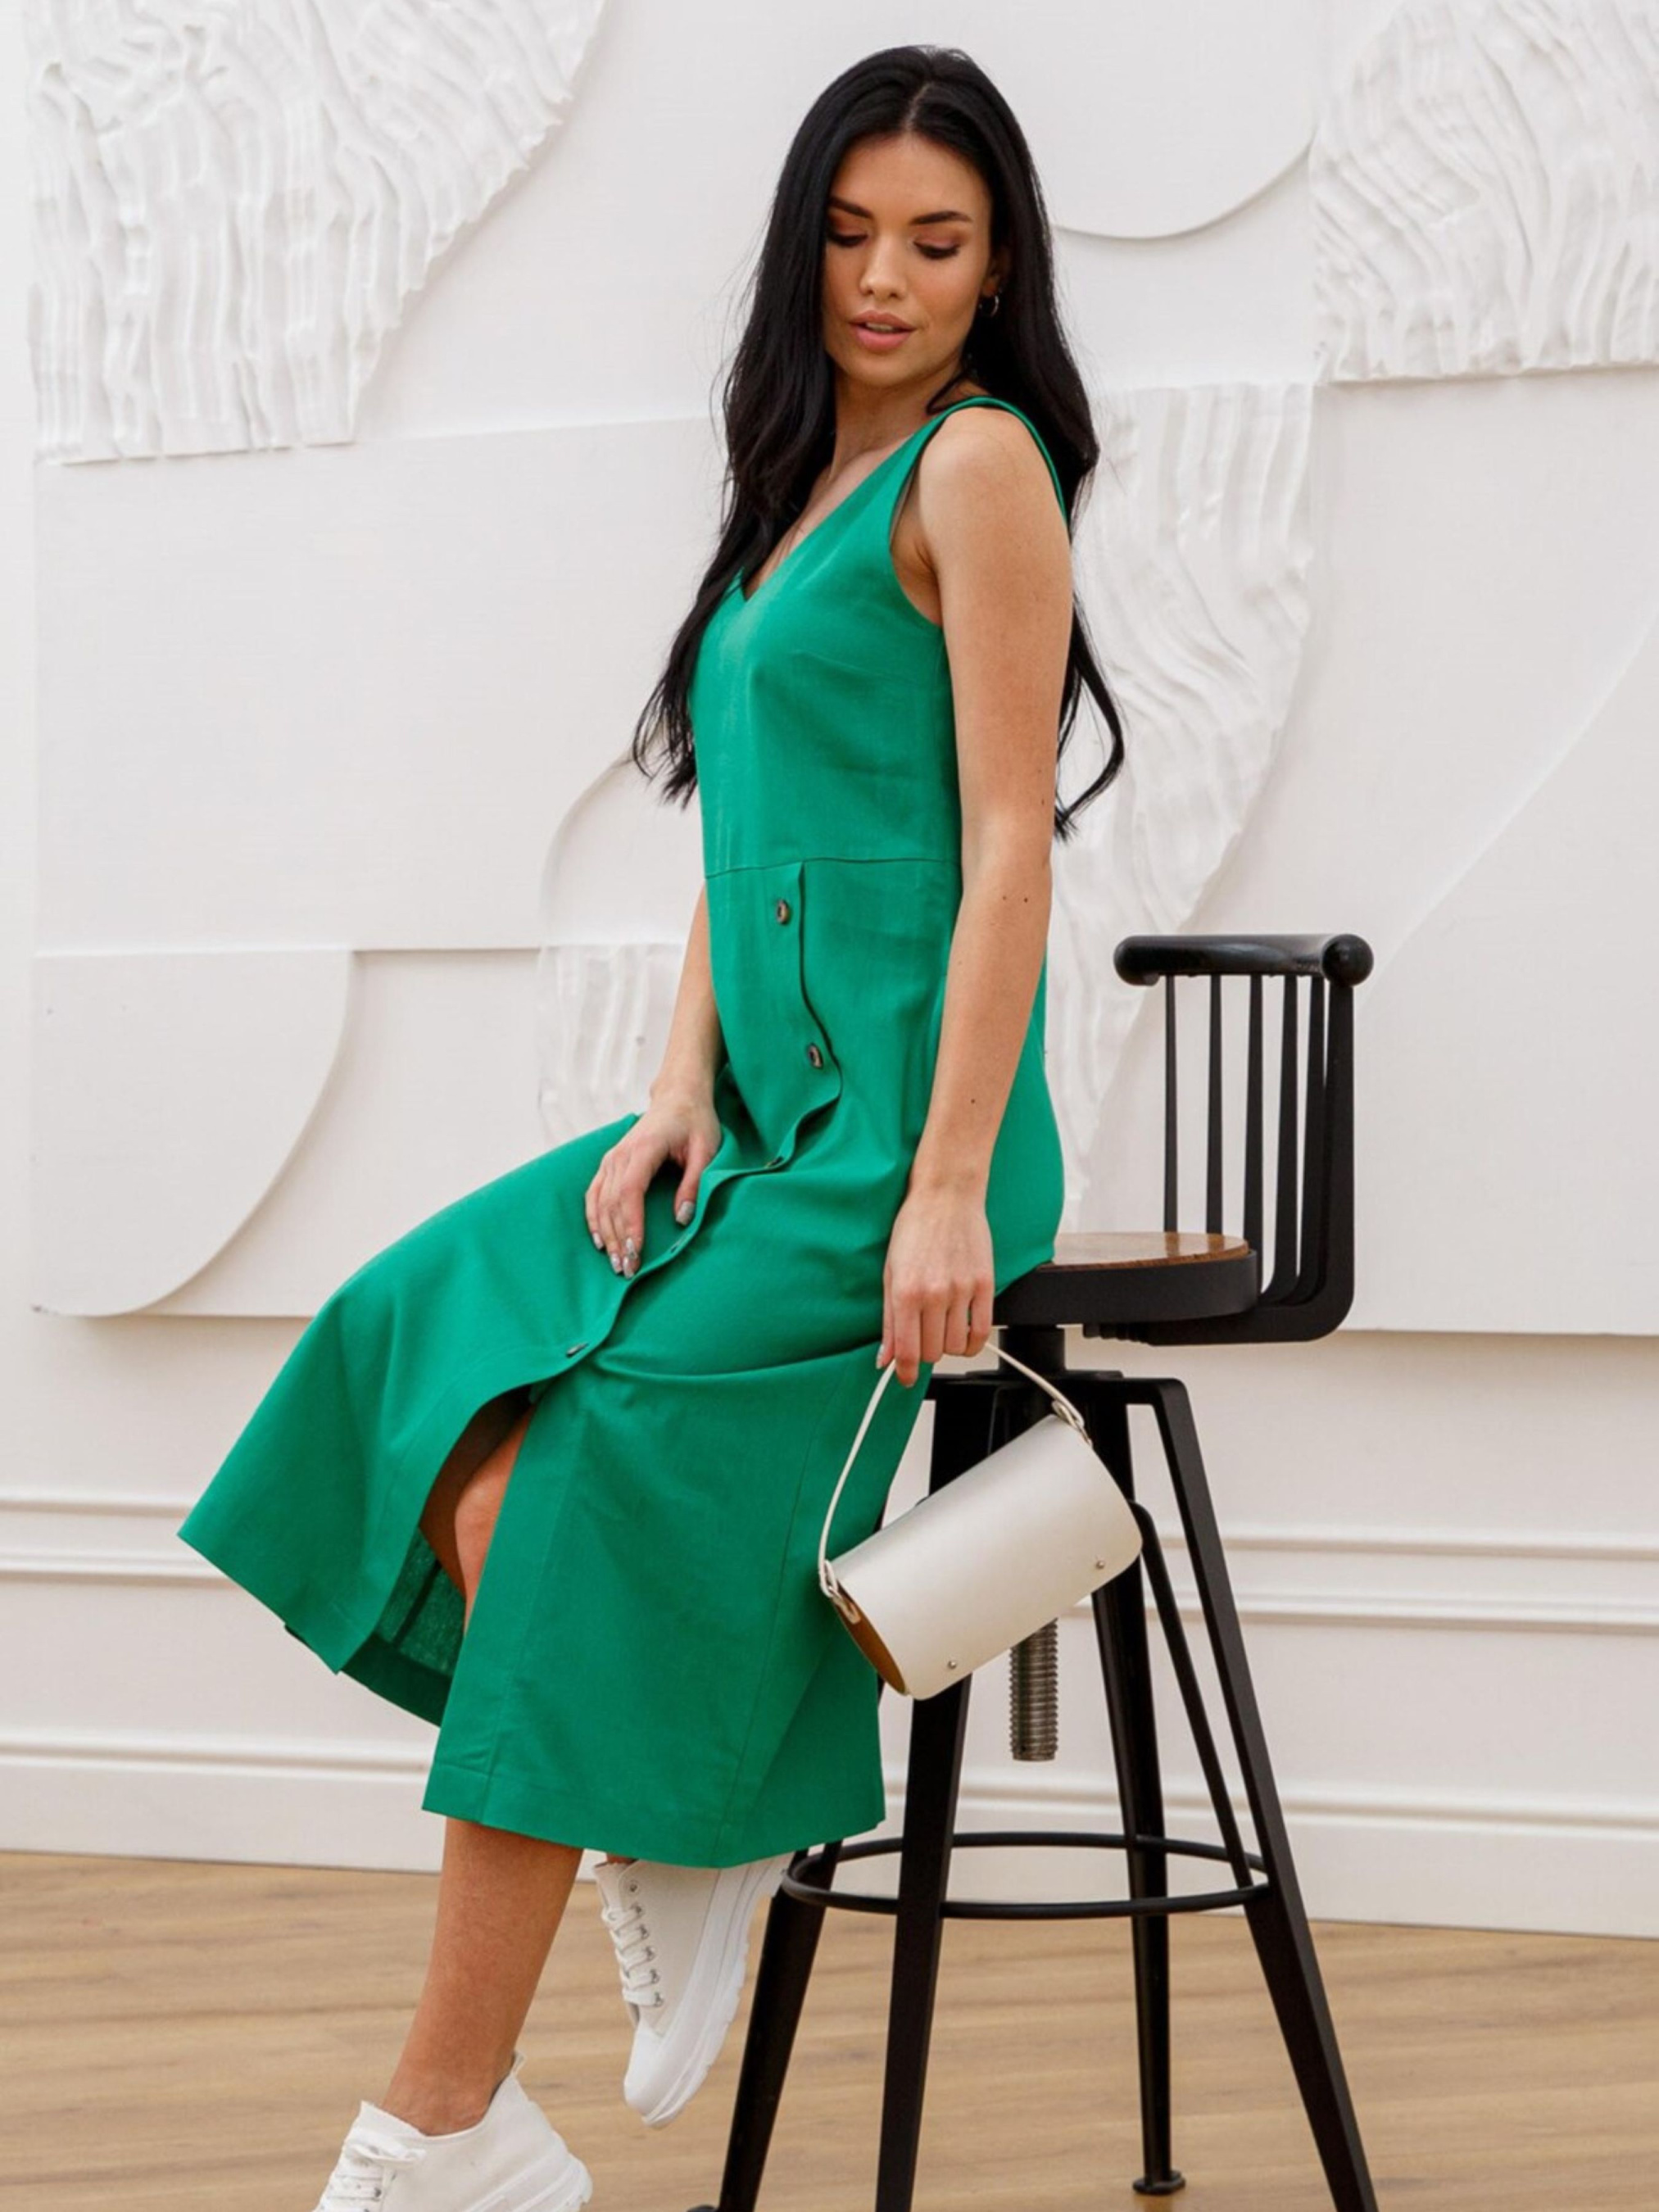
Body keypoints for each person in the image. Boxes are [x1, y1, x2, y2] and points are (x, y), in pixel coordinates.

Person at [176, 40, 1125, 2212]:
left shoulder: (981, 469)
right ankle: (672, 1827)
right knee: (424, 1341)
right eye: (850, 233)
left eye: (937, 243)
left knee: (583, 1471)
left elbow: (1008, 843)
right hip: (761, 1117)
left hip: (902, 1144)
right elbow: (745, 837)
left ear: (998, 272)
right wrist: (678, 1082)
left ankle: (445, 2120)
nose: (883, 278)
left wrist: (951, 1181)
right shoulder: (792, 482)